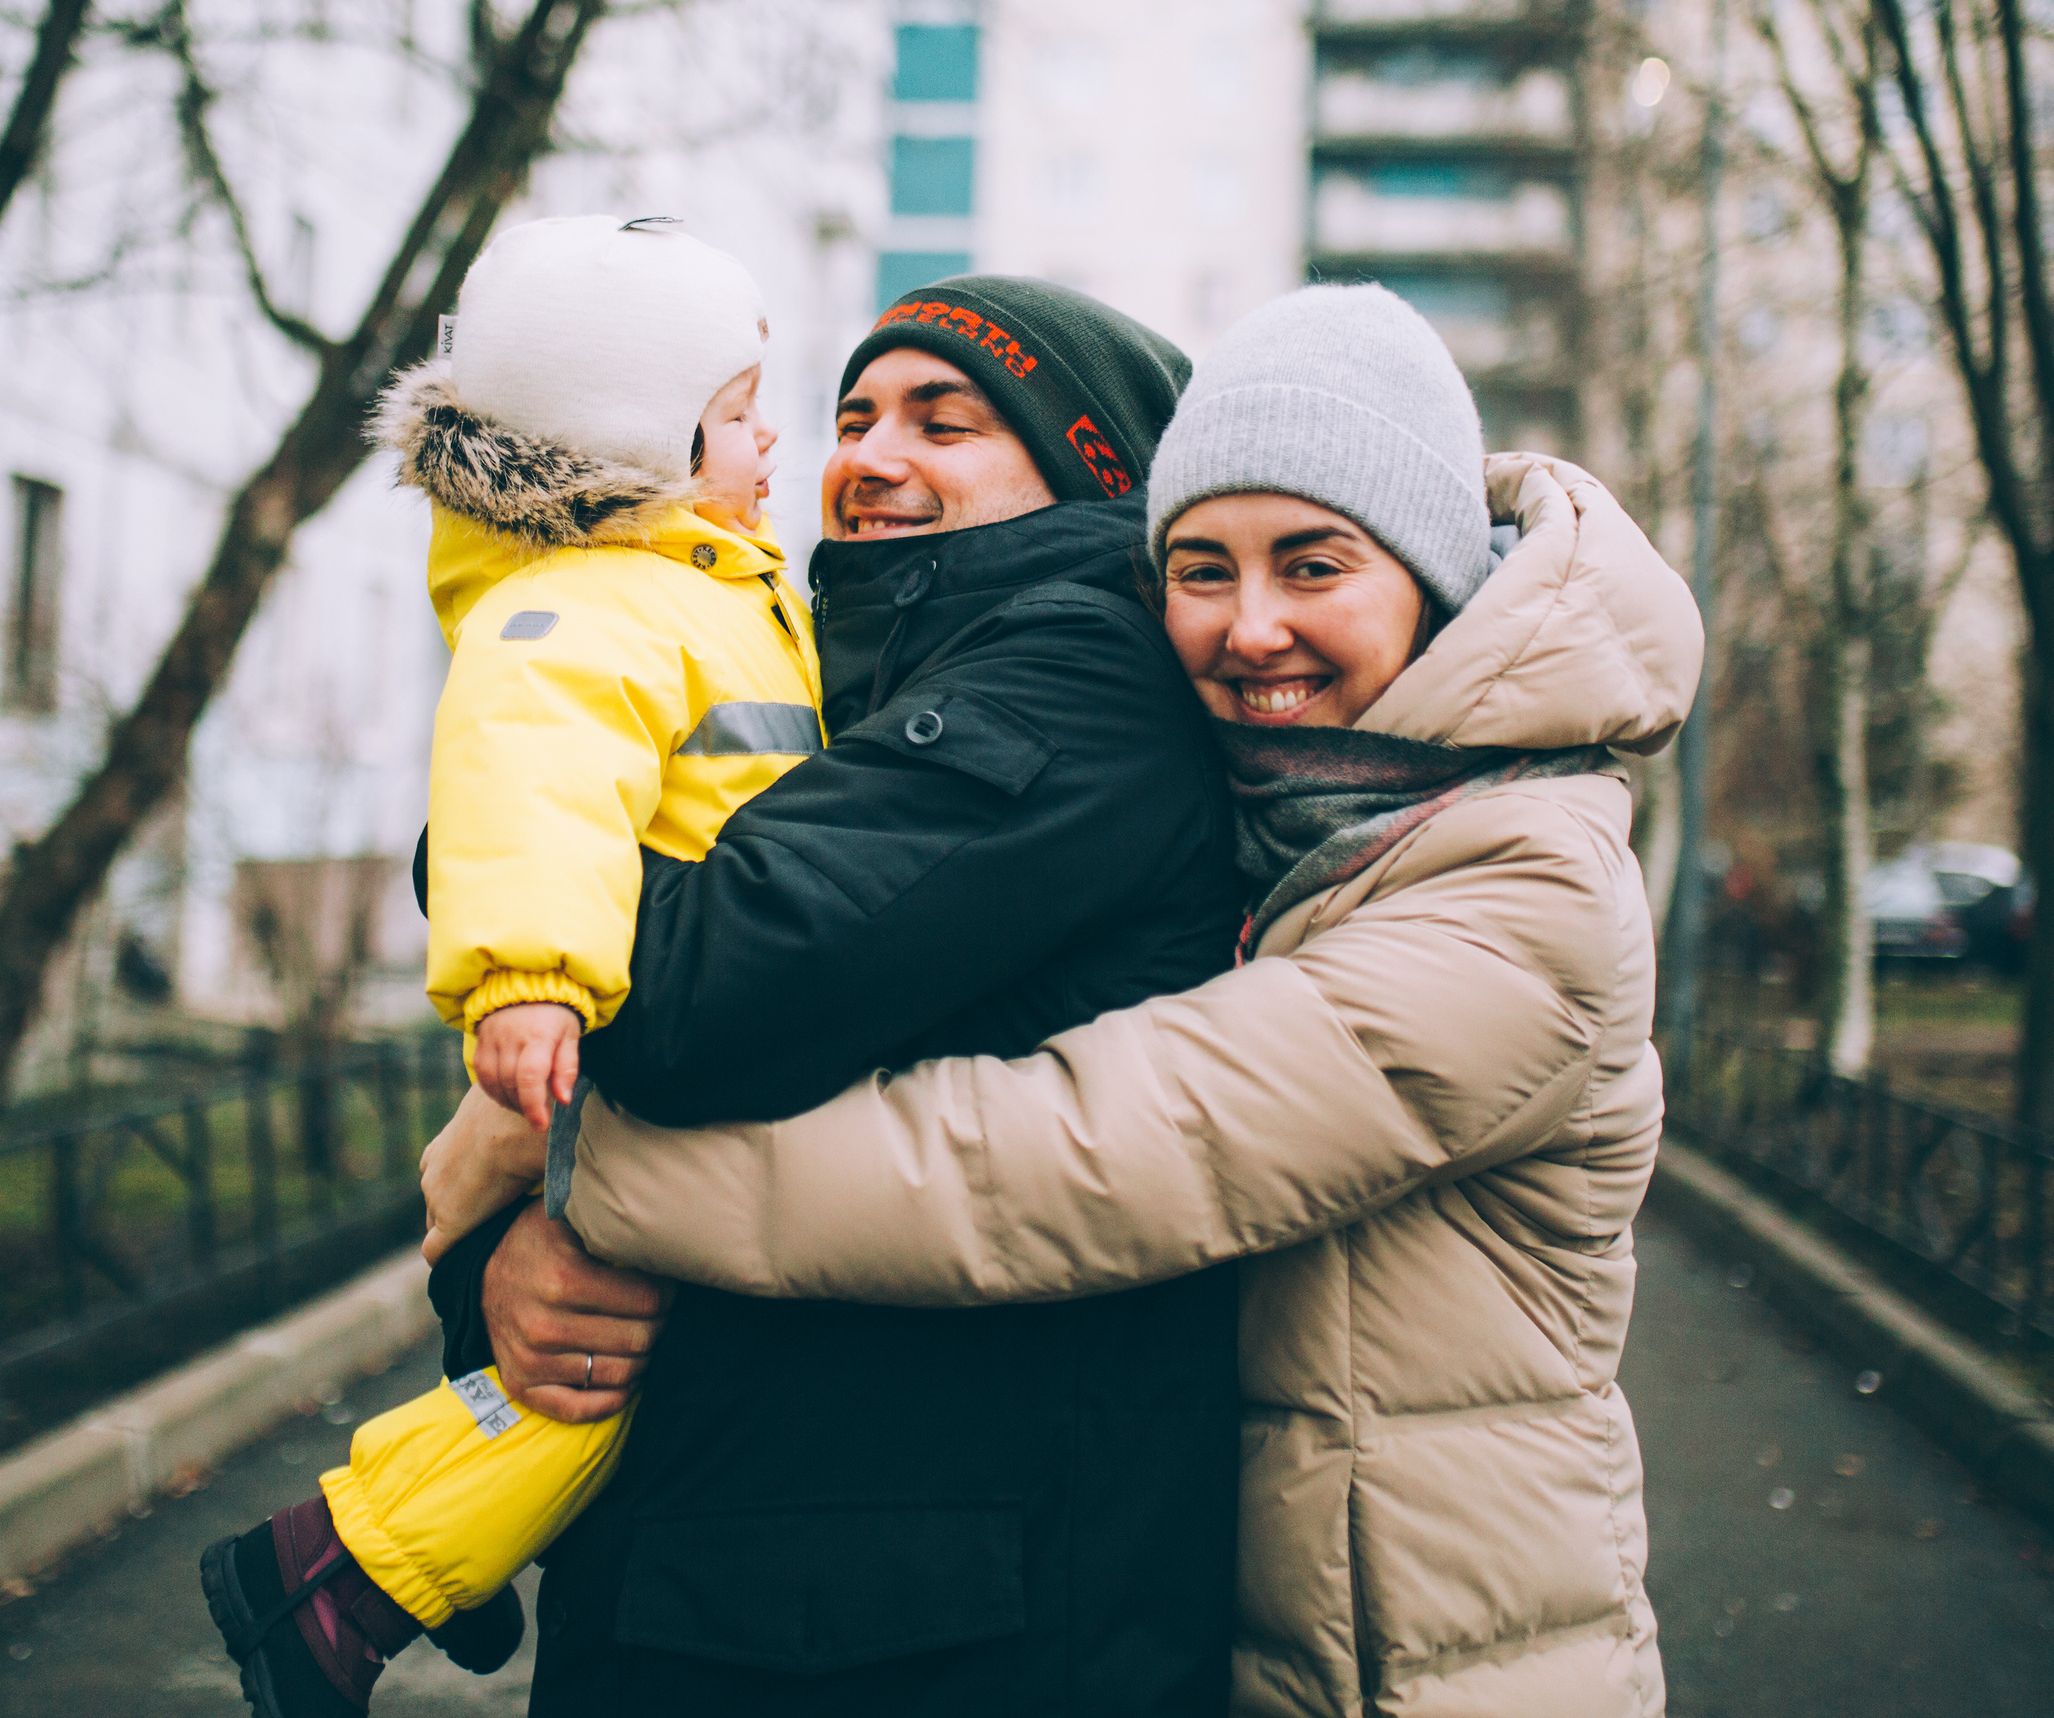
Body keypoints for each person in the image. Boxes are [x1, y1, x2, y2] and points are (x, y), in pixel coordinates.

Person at [445, 284, 1704, 1716]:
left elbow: (1083, 1157)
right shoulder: (1277, 812)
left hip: (1434, 1653)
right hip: (1259, 1611)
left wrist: (580, 1174)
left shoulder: (1511, 887)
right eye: (1205, 570)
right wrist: (491, 1236)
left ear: (1425, 571)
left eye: (1313, 565)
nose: (1248, 628)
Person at [420, 275, 1250, 1715]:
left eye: (945, 420)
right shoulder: (831, 693)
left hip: (933, 1628)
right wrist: (489, 1270)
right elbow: (621, 1086)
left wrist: (487, 829)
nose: (867, 457)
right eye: (852, 414)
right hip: (766, 1586)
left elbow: (687, 1006)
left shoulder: (1080, 676)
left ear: (1089, 466)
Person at [199, 214, 817, 1718]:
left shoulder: (705, 583)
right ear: (643, 436)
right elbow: (524, 779)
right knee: (607, 1369)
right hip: (630, 1037)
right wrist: (528, 974)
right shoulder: (591, 603)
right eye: (739, 413)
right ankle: (358, 1568)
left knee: (602, 1368)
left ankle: (399, 1554)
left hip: (698, 1031)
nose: (773, 435)